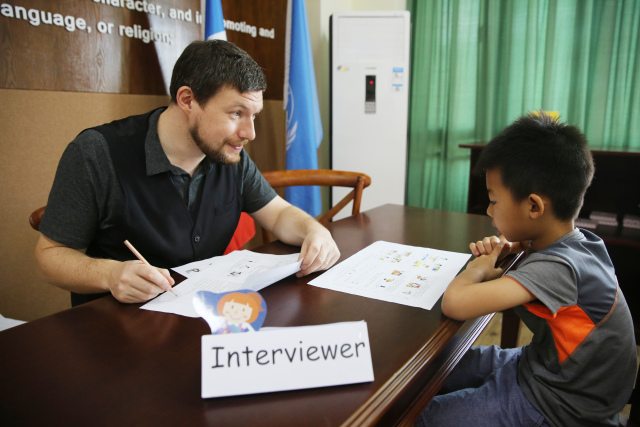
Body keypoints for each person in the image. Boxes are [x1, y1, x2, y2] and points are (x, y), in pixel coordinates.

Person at [35, 40, 340, 307]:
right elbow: (50, 256)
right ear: (187, 100)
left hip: (201, 317)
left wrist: (314, 231)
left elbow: (277, 214)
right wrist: (110, 274)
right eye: (236, 113)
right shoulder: (96, 153)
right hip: (115, 330)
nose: (250, 132)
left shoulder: (229, 152)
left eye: (253, 115)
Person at [417, 112, 636, 426]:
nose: (489, 211)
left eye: (493, 200)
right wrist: (511, 247)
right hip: (544, 366)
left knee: (425, 419)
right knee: (442, 364)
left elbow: (455, 303)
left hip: (556, 403)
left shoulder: (558, 269)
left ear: (534, 206)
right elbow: (532, 258)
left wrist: (478, 267)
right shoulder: (579, 241)